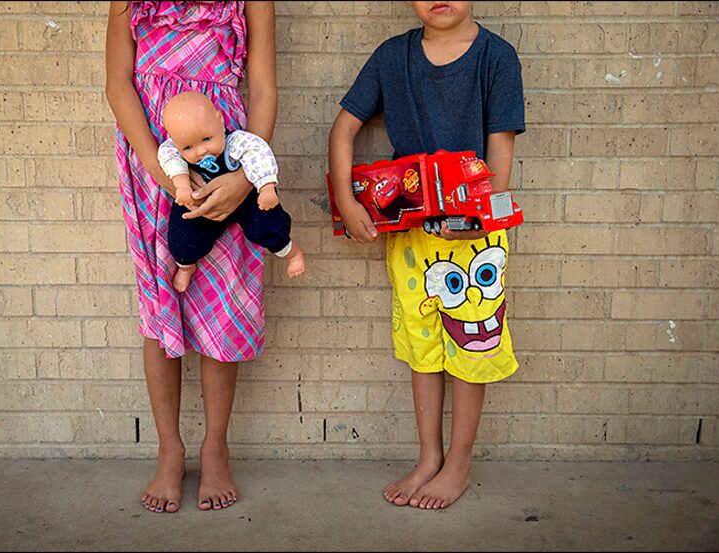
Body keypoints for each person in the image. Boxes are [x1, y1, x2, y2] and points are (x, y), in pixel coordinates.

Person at [328, 0, 525, 510]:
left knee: (471, 346)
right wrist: (347, 202)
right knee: (422, 347)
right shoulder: (392, 58)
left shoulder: (496, 58)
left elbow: (500, 148)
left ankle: (458, 464)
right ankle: (428, 457)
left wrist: (483, 219)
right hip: (412, 237)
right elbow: (343, 128)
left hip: (475, 238)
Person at [105, 0, 278, 513]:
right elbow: (118, 86)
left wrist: (244, 178)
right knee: (161, 299)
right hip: (151, 162)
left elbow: (264, 87)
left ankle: (215, 446)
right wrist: (166, 179)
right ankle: (170, 449)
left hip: (226, 157)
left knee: (223, 299)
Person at [158, 91, 305, 292]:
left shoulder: (236, 142)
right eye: (188, 147)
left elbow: (258, 153)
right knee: (183, 233)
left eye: (207, 139)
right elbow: (169, 158)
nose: (201, 151)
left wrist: (266, 186)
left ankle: (291, 252)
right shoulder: (173, 148)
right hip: (202, 200)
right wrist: (182, 185)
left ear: (220, 119)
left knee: (266, 224)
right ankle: (186, 264)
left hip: (246, 197)